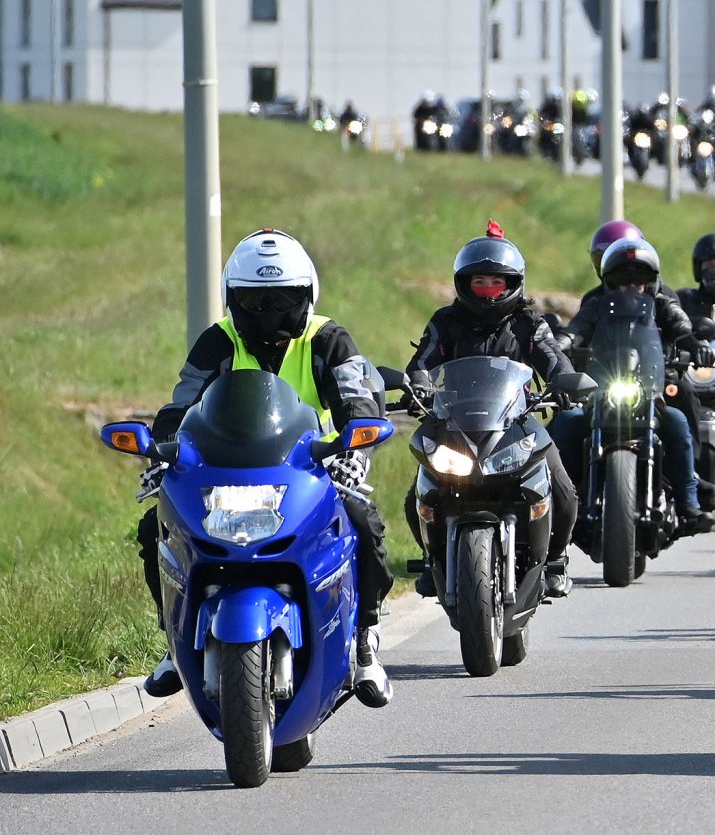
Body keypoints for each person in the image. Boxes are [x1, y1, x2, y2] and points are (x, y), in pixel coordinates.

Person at [138, 230, 394, 706]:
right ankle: (173, 643)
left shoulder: (328, 339)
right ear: (233, 299)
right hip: (227, 475)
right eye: (256, 300)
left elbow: (360, 402)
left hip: (313, 472)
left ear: (308, 295)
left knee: (364, 522)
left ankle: (365, 640)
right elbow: (182, 403)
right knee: (155, 525)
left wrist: (354, 454)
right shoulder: (218, 341)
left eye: (284, 298)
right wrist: (163, 453)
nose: (271, 310)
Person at [403, 236, 579, 597]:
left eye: (495, 282)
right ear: (463, 284)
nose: (486, 291)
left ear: (512, 284)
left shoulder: (530, 324)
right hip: (454, 425)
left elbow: (552, 357)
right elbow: (421, 362)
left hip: (516, 422)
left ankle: (556, 560)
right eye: (478, 282)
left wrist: (564, 382)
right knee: (418, 495)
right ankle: (431, 558)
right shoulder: (446, 322)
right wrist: (416, 386)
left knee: (563, 492)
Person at [553, 238, 715, 529]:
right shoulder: (596, 307)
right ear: (609, 282)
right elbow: (576, 330)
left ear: (651, 282)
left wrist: (695, 345)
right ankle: (561, 502)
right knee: (566, 421)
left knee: (678, 423)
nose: (632, 286)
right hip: (602, 392)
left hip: (649, 392)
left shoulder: (661, 305)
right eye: (623, 280)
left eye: (639, 280)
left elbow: (681, 328)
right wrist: (560, 343)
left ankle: (688, 503)